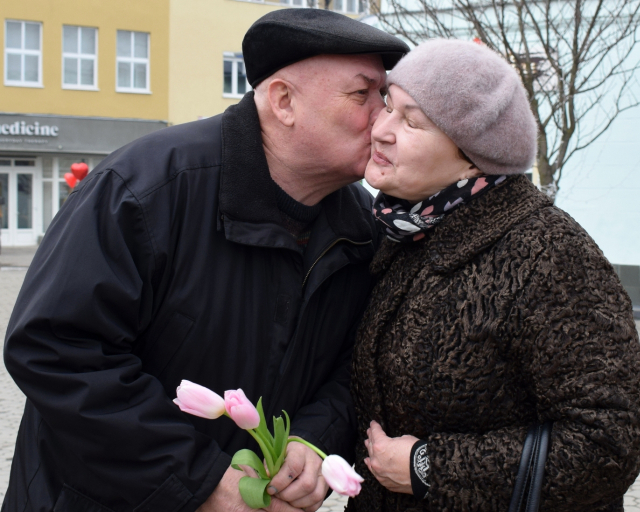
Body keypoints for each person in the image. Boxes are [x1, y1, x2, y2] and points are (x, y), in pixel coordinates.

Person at [2, 9, 408, 512]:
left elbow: (358, 363)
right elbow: (55, 349)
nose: (384, 119)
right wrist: (200, 480)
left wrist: (310, 439)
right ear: (284, 101)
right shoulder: (147, 189)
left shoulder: (365, 228)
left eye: (385, 98)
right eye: (362, 95)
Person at [348, 39, 640, 512]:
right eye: (387, 106)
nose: (381, 130)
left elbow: (609, 444)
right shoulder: (404, 232)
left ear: (472, 158)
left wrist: (429, 467)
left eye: (412, 121)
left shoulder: (548, 254)